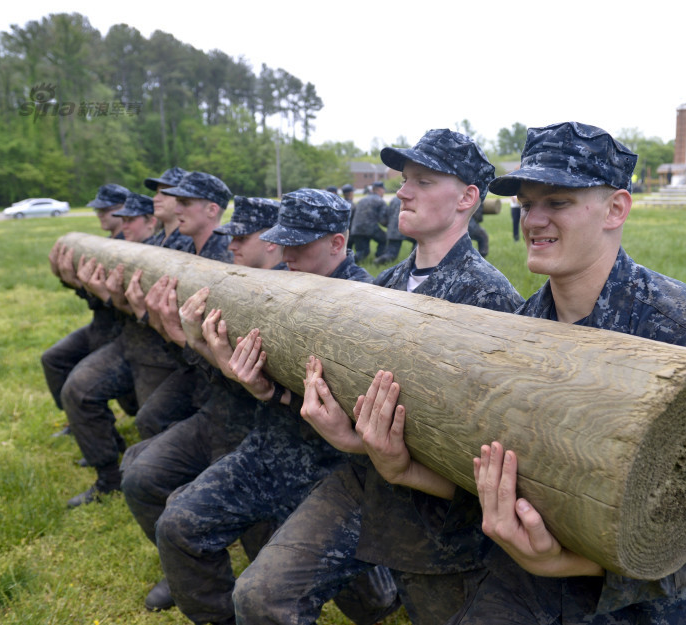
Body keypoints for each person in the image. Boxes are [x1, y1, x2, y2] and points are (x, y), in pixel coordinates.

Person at [451, 122, 686, 623]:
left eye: (558, 202)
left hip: (655, 606)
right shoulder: (521, 330)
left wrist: (576, 565)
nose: (533, 220)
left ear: (616, 209)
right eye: (526, 204)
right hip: (536, 589)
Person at [232, 129, 525, 625]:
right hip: (364, 481)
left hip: (440, 516)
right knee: (260, 596)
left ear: (467, 198)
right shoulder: (384, 285)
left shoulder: (490, 301)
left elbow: (493, 444)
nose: (402, 192)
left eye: (423, 182)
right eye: (404, 179)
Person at [153, 189, 398, 625]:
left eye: (299, 244)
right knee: (179, 525)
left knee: (373, 604)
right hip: (270, 449)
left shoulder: (368, 302)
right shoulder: (275, 285)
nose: (287, 254)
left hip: (335, 468)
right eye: (283, 242)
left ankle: (386, 584)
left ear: (337, 243)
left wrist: (274, 394)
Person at [121, 197, 284, 613]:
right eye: (230, 237)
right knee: (141, 476)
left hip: (268, 430)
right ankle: (193, 575)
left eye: (242, 238)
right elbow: (214, 376)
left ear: (271, 242)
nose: (231, 245)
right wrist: (186, 339)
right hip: (219, 412)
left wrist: (188, 341)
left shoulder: (287, 293)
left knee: (264, 543)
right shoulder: (230, 279)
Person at [61, 172, 233, 507]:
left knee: (156, 421)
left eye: (182, 200)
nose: (167, 202)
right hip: (156, 348)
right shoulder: (174, 247)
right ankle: (116, 479)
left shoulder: (221, 255)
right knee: (88, 393)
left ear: (212, 209)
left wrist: (140, 311)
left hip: (184, 362)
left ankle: (178, 494)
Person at [43, 183, 132, 438]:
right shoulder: (107, 245)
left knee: (87, 383)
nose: (100, 214)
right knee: (53, 359)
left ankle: (94, 427)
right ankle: (80, 422)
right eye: (97, 210)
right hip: (100, 326)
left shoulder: (130, 247)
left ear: (124, 210)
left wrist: (81, 285)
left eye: (106, 209)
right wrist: (72, 281)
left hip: (120, 332)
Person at [144, 166, 193, 251]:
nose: (155, 199)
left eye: (165, 193)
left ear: (182, 197)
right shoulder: (157, 240)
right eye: (157, 192)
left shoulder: (190, 244)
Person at [349, 181, 388, 262]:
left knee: (362, 252)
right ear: (380, 190)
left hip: (356, 228)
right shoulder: (380, 201)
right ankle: (379, 259)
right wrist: (391, 226)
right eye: (383, 190)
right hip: (370, 228)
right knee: (384, 239)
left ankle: (349, 262)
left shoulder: (362, 200)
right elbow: (382, 220)